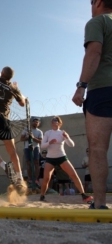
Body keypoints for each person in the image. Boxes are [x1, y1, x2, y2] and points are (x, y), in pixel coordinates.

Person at [72, 0, 112, 209]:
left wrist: (81, 86)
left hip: (103, 89)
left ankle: (100, 203)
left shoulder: (98, 22)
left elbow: (94, 53)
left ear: (97, 2)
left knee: (97, 149)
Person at [0, 45, 27, 195]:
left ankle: (4, 166)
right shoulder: (13, 89)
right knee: (12, 151)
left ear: (1, 73)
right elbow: (22, 103)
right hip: (3, 120)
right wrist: (18, 89)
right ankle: (20, 178)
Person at [39, 116, 93, 203]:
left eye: (56, 120)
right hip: (50, 158)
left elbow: (72, 145)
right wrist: (49, 142)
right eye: (52, 120)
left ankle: (83, 195)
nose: (54, 121)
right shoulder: (48, 133)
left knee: (73, 175)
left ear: (59, 123)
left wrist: (67, 137)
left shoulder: (62, 133)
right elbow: (42, 146)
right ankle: (42, 196)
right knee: (46, 178)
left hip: (61, 157)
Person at [20, 117, 43, 187]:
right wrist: (28, 137)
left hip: (36, 148)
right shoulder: (26, 129)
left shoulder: (39, 131)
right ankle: (30, 179)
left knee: (36, 162)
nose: (36, 123)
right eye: (34, 121)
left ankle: (36, 179)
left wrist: (33, 138)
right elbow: (21, 138)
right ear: (32, 122)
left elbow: (40, 141)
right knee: (28, 163)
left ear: (39, 124)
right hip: (27, 148)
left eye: (37, 122)